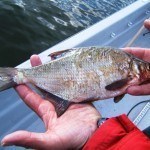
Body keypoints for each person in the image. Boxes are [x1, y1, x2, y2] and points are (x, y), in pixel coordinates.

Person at [1, 20, 150, 150]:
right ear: (135, 68)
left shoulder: (128, 74)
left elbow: (114, 89)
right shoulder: (128, 73)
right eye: (146, 67)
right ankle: (17, 76)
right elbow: (113, 89)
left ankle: (18, 75)